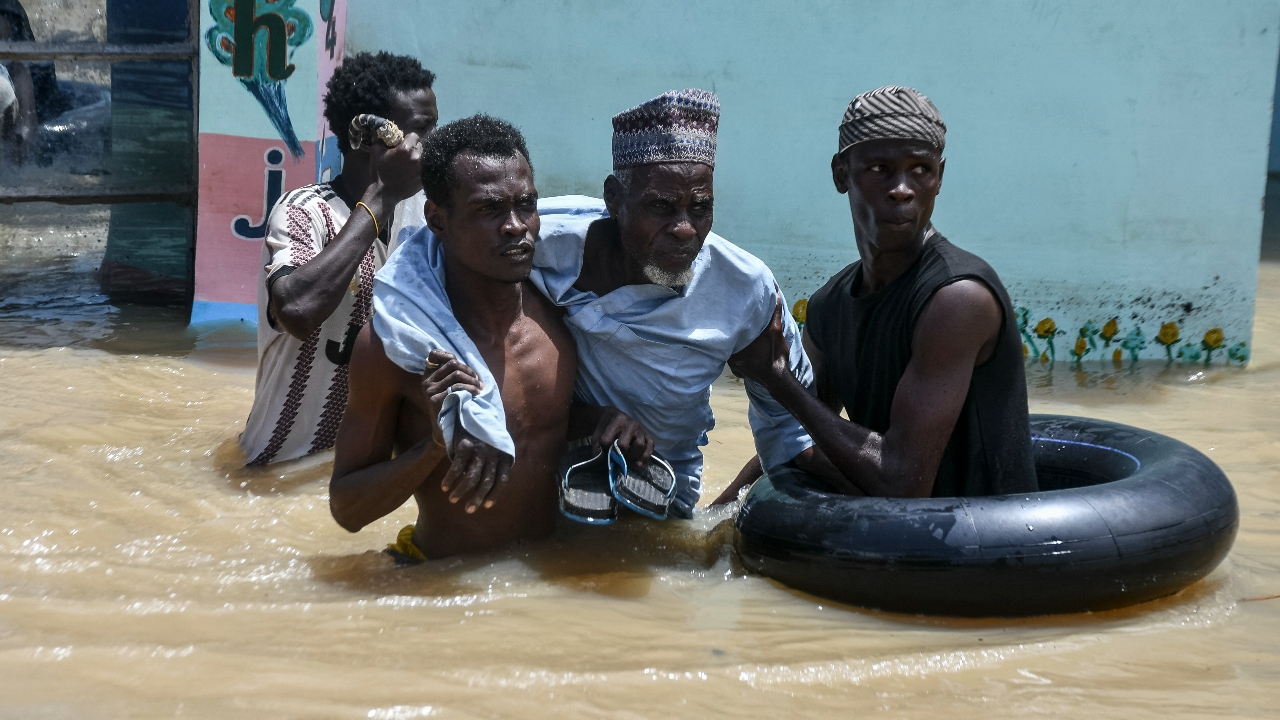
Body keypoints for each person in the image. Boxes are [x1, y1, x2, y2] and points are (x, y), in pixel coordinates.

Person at [529, 89, 843, 519]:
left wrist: (716, 522)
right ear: (615, 199)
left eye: (700, 208)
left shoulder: (744, 290)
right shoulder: (537, 241)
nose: (684, 229)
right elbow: (437, 253)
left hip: (658, 493)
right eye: (660, 206)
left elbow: (790, 429)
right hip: (537, 476)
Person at [721, 86, 1037, 499]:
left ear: (939, 178)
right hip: (896, 541)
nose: (902, 188)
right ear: (841, 174)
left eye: (920, 169)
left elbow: (903, 482)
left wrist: (775, 377)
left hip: (989, 547)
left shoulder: (957, 299)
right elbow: (799, 433)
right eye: (880, 169)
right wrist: (714, 517)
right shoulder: (830, 307)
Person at [328, 115, 580, 560]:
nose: (516, 226)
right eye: (489, 210)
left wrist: (611, 424)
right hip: (442, 590)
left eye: (526, 205)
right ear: (438, 220)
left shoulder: (560, 317)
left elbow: (543, 430)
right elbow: (347, 510)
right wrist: (434, 448)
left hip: (548, 582)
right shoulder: (396, 348)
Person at [239, 52, 437, 466]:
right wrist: (380, 198)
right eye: (420, 131)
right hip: (278, 469)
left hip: (364, 473)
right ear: (368, 137)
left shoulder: (426, 214)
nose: (431, 145)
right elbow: (296, 310)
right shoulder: (302, 211)